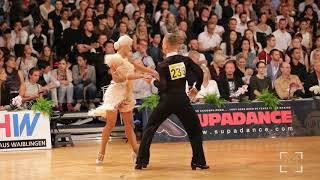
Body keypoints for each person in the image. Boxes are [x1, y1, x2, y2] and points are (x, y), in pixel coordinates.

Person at [135, 32, 209, 170]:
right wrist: (196, 88)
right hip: (182, 100)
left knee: (150, 128)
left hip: (167, 100)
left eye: (163, 42)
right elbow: (200, 71)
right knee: (195, 130)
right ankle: (199, 161)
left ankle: (141, 162)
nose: (162, 45)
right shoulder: (185, 60)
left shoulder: (163, 64)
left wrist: (152, 81)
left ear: (167, 45)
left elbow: (163, 87)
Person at [88, 35, 158, 165]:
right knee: (110, 124)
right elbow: (119, 79)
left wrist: (153, 72)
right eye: (129, 46)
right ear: (124, 46)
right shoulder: (114, 59)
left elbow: (138, 67)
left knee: (129, 124)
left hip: (127, 93)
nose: (131, 48)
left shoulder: (128, 58)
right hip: (115, 93)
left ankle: (136, 151)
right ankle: (101, 152)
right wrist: (141, 76)